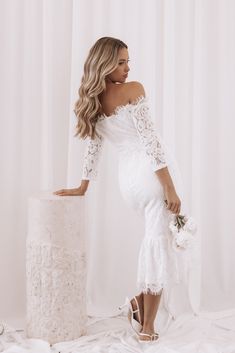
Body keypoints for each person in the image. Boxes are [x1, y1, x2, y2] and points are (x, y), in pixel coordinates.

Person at [53, 36, 183, 343]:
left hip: (129, 182)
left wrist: (82, 187)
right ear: (103, 63)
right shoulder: (133, 90)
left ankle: (139, 304)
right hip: (153, 176)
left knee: (156, 238)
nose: (127, 68)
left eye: (128, 61)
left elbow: (93, 149)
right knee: (157, 242)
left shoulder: (93, 101)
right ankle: (148, 326)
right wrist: (170, 187)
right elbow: (151, 143)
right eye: (120, 62)